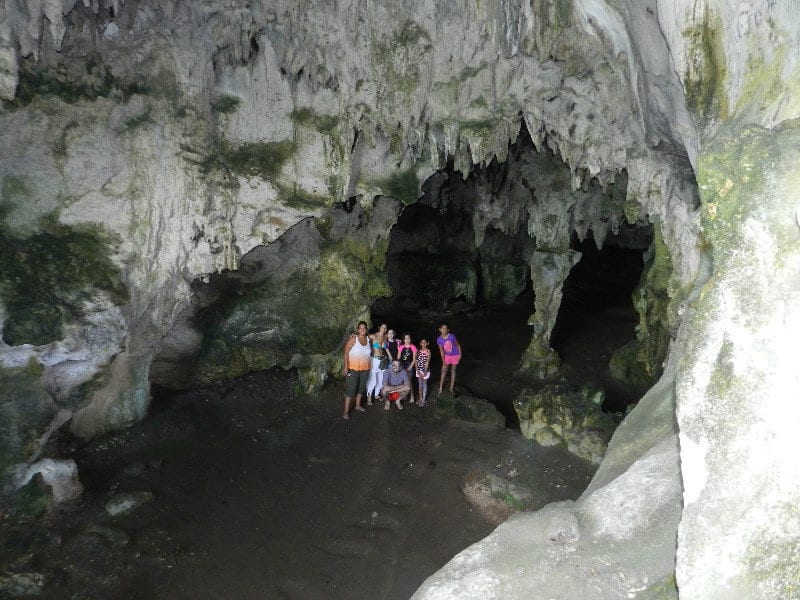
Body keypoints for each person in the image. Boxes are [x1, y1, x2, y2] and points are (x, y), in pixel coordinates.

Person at [342, 321, 371, 419]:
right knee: (351, 389)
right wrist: (346, 367)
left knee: (361, 388)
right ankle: (346, 411)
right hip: (353, 369)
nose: (363, 330)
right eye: (361, 328)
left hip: (365, 369)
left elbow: (379, 340)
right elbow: (346, 352)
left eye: (364, 328)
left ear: (366, 330)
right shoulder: (354, 339)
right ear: (358, 330)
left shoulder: (368, 339)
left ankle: (358, 405)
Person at [366, 323, 389, 405]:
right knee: (372, 380)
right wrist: (354, 336)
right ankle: (368, 396)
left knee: (380, 379)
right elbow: (363, 338)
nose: (384, 329)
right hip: (374, 360)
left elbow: (391, 340)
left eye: (385, 328)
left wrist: (398, 341)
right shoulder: (373, 336)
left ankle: (376, 395)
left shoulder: (386, 336)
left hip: (382, 360)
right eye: (382, 327)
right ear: (379, 327)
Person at [436, 323, 461, 395]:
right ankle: (440, 387)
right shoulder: (439, 339)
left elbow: (458, 345)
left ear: (448, 330)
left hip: (455, 355)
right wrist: (443, 362)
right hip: (447, 356)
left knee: (453, 370)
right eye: (442, 328)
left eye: (445, 328)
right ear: (440, 329)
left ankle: (451, 388)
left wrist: (460, 355)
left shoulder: (452, 336)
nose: (444, 330)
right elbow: (441, 351)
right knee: (444, 370)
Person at [397, 333, 418, 404]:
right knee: (402, 382)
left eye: (408, 338)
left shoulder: (413, 347)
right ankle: (404, 395)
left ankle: (412, 396)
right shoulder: (401, 347)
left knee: (409, 382)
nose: (407, 340)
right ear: (403, 339)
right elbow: (398, 358)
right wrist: (399, 366)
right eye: (405, 338)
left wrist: (410, 367)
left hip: (409, 365)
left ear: (410, 339)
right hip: (402, 366)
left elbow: (414, 359)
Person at [415, 338, 432, 406]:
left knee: (424, 384)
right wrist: (417, 370)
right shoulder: (418, 351)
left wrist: (425, 371)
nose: (423, 344)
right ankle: (420, 398)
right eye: (422, 342)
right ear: (420, 343)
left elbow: (427, 362)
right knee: (420, 384)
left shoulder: (428, 352)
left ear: (427, 343)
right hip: (419, 370)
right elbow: (416, 361)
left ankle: (423, 399)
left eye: (425, 342)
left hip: (425, 370)